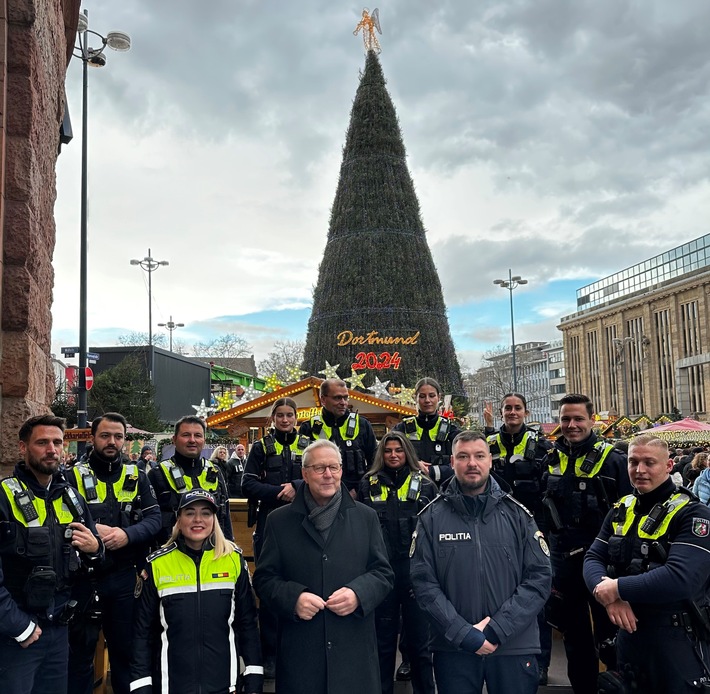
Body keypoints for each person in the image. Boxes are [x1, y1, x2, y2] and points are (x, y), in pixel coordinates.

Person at [410, 431, 551, 694]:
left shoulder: (518, 516)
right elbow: (424, 585)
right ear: (452, 462)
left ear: (490, 461)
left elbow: (539, 578)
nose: (471, 463)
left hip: (513, 646)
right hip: (454, 648)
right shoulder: (430, 518)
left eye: (479, 456)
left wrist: (498, 629)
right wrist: (463, 634)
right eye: (463, 456)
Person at [252, 439, 394, 694]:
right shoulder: (279, 521)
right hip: (302, 656)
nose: (328, 475)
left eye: (334, 467)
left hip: (354, 654)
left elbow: (383, 574)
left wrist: (358, 594)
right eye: (319, 468)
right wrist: (293, 598)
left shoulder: (366, 517)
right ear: (305, 474)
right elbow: (264, 579)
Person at [584, 434, 710, 693]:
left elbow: (680, 579)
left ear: (668, 466)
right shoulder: (621, 507)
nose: (639, 470)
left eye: (649, 462)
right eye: (633, 462)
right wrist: (610, 595)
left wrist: (617, 588)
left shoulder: (693, 514)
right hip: (628, 638)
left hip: (677, 642)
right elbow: (592, 557)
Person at [0, 415, 103, 694]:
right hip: (16, 634)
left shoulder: (72, 498)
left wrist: (96, 549)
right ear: (22, 448)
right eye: (42, 442)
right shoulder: (4, 497)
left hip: (59, 630)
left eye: (57, 442)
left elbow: (94, 559)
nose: (52, 449)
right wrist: (19, 626)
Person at [130, 489, 263, 694]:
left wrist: (254, 678)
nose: (198, 520)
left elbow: (247, 625)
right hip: (171, 687)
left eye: (206, 513)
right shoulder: (157, 564)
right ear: (179, 519)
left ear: (214, 519)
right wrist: (141, 685)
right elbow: (141, 634)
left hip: (224, 686)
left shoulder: (234, 560)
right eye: (190, 512)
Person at [65, 412, 161, 694]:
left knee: (127, 655)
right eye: (105, 435)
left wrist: (126, 535)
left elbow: (155, 521)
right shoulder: (71, 476)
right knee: (79, 658)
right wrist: (97, 536)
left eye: (118, 436)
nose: (112, 441)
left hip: (124, 578)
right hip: (83, 579)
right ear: (93, 438)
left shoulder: (138, 475)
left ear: (125, 440)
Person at [542, 393, 632, 694]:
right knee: (575, 641)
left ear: (592, 420)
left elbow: (632, 514)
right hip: (564, 568)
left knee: (612, 640)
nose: (571, 424)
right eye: (565, 419)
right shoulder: (549, 459)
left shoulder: (615, 461)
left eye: (578, 418)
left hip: (605, 567)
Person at [358, 430, 437, 694]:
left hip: (416, 573)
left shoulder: (426, 485)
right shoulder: (367, 484)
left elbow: (435, 533)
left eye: (399, 450)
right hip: (381, 574)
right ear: (382, 454)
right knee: (382, 643)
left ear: (408, 453)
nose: (393, 455)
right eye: (388, 450)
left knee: (420, 645)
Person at [484, 392, 553, 683]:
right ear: (501, 412)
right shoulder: (486, 445)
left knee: (536, 598)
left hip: (530, 529)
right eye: (507, 408)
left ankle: (541, 662)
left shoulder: (541, 445)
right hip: (493, 530)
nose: (512, 412)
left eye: (517, 408)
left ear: (525, 412)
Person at [242, 397, 307, 677]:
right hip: (269, 522)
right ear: (272, 418)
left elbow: (321, 476)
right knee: (269, 586)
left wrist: (297, 486)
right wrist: (281, 491)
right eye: (279, 415)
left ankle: (300, 647)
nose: (284, 419)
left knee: (301, 583)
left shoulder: (308, 445)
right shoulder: (259, 448)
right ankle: (269, 653)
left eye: (289, 415)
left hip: (302, 523)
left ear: (296, 418)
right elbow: (247, 483)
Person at [148, 415, 233, 545]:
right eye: (186, 435)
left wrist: (229, 546)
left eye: (198, 435)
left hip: (212, 554)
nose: (192, 440)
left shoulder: (215, 471)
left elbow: (225, 516)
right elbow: (149, 521)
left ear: (204, 440)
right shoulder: (158, 474)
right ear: (174, 440)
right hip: (170, 554)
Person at [298, 378, 376, 496]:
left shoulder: (362, 425)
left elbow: (374, 463)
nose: (343, 402)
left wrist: (358, 490)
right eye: (337, 398)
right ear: (323, 399)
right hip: (319, 497)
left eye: (345, 397)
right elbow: (301, 466)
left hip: (356, 496)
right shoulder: (308, 428)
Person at [393, 377, 460, 485]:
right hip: (408, 494)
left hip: (444, 492)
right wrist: (413, 464)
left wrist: (431, 471)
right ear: (416, 398)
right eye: (422, 396)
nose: (427, 400)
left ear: (439, 397)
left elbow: (462, 463)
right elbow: (385, 456)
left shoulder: (451, 431)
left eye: (432, 396)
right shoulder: (401, 429)